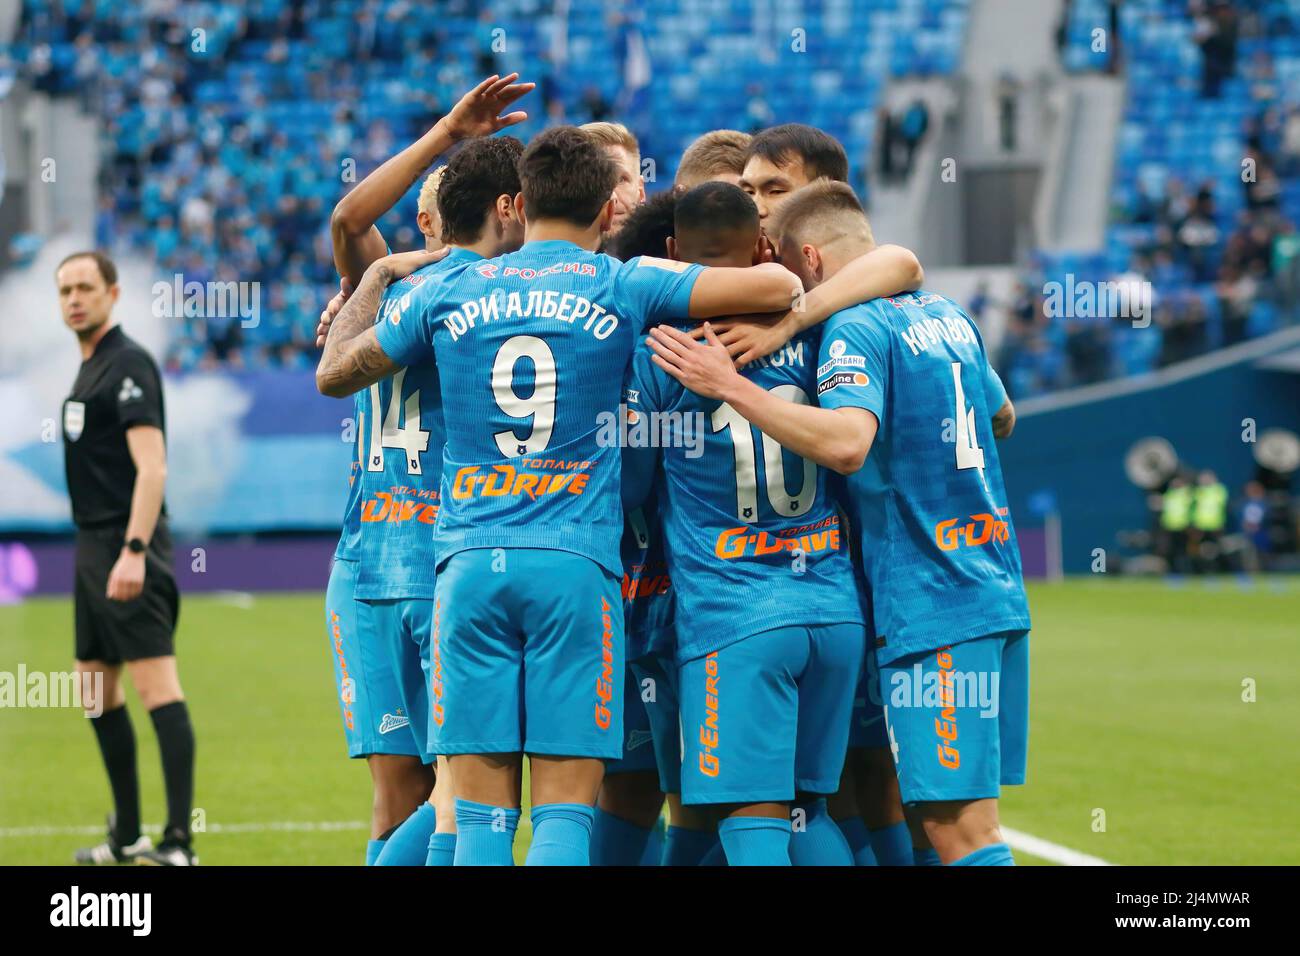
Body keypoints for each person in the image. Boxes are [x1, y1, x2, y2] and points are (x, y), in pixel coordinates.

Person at [316, 125, 802, 865]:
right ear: (609, 213)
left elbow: (338, 373)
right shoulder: (623, 282)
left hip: (469, 568)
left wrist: (381, 282)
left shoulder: (448, 287)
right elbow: (779, 287)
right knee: (563, 821)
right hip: (575, 568)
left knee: (476, 820)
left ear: (518, 202)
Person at [645, 181, 1030, 866]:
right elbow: (1000, 416)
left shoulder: (851, 326)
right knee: (860, 813)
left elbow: (849, 443)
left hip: (927, 594)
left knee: (958, 833)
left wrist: (735, 380)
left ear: (812, 262)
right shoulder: (947, 314)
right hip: (986, 584)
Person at [320, 73, 533, 865]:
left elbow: (348, 219)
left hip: (419, 557)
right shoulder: (395, 284)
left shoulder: (445, 290)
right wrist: (446, 135)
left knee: (447, 784)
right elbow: (348, 216)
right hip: (385, 557)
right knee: (429, 787)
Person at [58, 250, 196, 866]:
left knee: (155, 685)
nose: (74, 299)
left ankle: (179, 843)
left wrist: (135, 550)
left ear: (112, 294)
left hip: (127, 543)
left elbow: (154, 467)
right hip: (91, 546)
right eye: (65, 290)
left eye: (86, 287)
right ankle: (127, 837)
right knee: (94, 685)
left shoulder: (128, 362)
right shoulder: (87, 369)